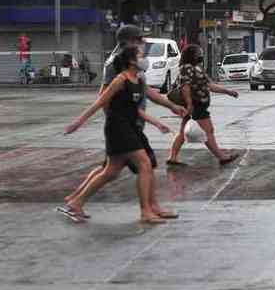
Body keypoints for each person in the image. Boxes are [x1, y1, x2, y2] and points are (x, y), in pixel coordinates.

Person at [60, 25, 185, 220]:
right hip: (121, 127)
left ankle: (77, 200)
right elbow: (102, 99)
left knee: (114, 169)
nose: (143, 45)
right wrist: (92, 121)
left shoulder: (135, 73)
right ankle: (147, 210)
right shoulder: (116, 69)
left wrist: (170, 107)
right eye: (139, 41)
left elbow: (147, 93)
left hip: (132, 124)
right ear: (129, 44)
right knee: (141, 165)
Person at [167, 44, 240, 167]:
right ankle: (221, 157)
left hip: (196, 105)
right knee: (208, 131)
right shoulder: (187, 68)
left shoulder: (196, 68)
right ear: (192, 55)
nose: (201, 55)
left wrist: (228, 92)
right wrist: (189, 103)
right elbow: (185, 87)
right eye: (198, 53)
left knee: (183, 132)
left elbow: (210, 86)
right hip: (196, 105)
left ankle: (173, 157)